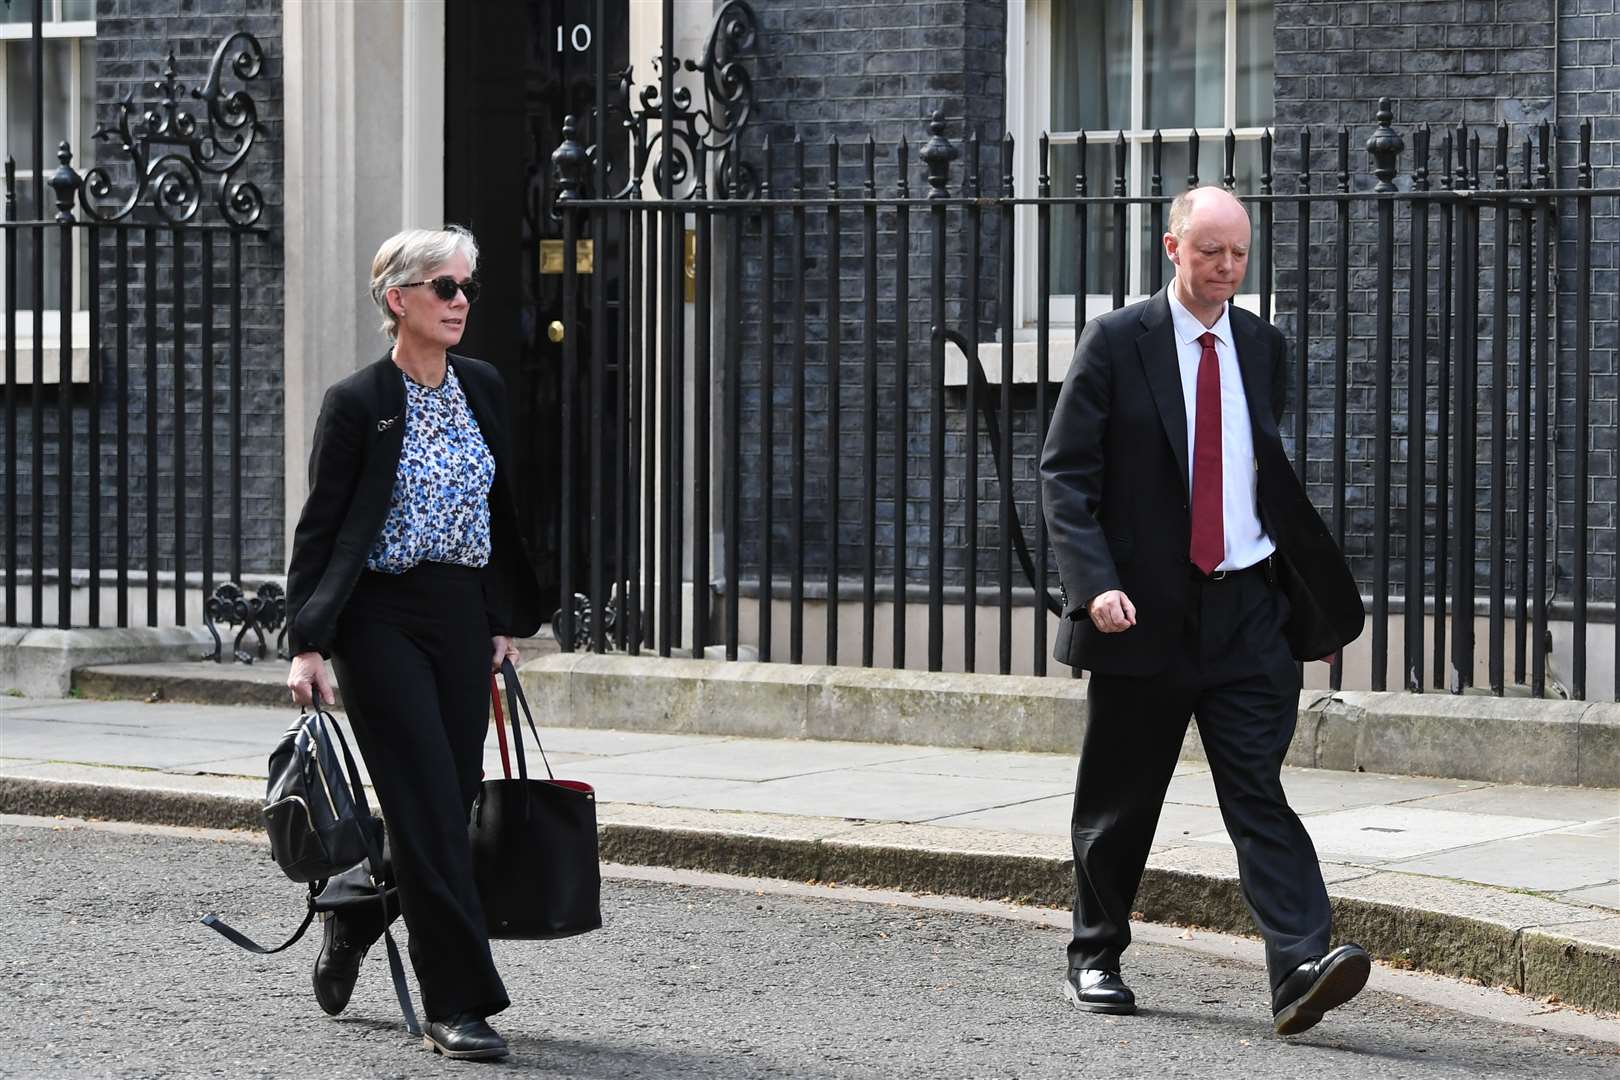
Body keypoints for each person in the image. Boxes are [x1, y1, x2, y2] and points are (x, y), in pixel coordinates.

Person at [1039, 186, 1368, 1036]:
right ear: (1172, 247)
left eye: (1240, 255)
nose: (1227, 269)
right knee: (1121, 798)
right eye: (1211, 252)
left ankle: (1299, 965)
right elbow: (1065, 474)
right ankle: (1096, 955)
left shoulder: (1262, 344)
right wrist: (1093, 583)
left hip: (1248, 610)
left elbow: (1259, 470)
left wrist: (1302, 596)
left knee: (1257, 789)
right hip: (1141, 612)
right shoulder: (1117, 341)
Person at [284, 225, 541, 1061]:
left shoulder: (483, 387)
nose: (462, 300)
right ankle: (455, 1002)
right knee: (429, 805)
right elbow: (321, 529)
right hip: (379, 619)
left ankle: (355, 912)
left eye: (467, 285)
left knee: (449, 802)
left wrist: (500, 618)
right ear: (399, 301)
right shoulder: (359, 402)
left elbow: (499, 513)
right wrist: (308, 643)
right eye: (444, 287)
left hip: (460, 616)